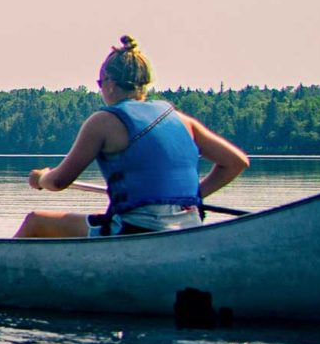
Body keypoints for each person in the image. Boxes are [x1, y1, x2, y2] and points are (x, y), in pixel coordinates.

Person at [15, 36, 248, 238]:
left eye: (99, 83)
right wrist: (191, 196)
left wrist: (41, 178)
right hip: (189, 226)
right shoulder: (181, 119)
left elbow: (59, 182)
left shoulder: (103, 122)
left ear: (110, 84)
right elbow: (236, 162)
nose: (101, 89)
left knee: (36, 221)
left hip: (135, 230)